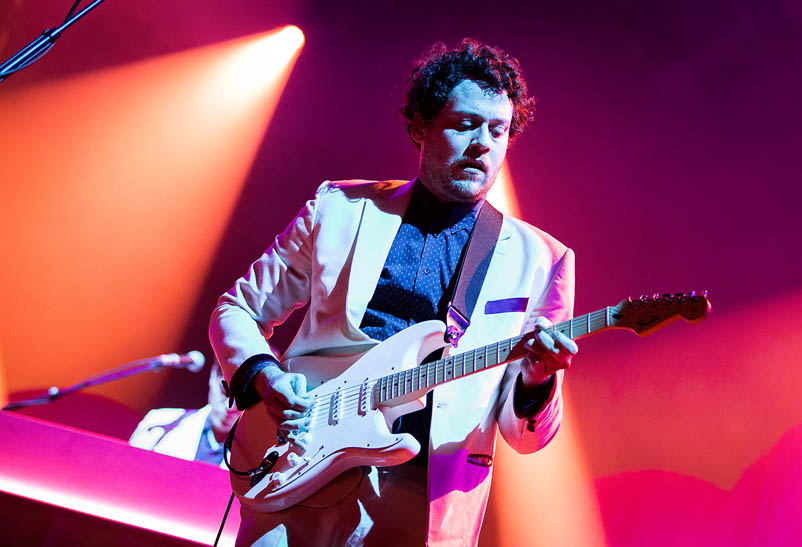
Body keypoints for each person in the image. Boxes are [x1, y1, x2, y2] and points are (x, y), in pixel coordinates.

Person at [209, 38, 577, 547]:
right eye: (465, 124)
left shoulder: (542, 261)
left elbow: (527, 435)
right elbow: (237, 310)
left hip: (421, 499)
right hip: (298, 462)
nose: (483, 144)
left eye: (498, 130)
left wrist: (536, 381)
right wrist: (266, 377)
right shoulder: (338, 209)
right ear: (420, 126)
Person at [129, 363, 241, 467]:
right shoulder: (158, 422)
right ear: (213, 374)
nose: (230, 407)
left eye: (242, 401)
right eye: (225, 391)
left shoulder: (256, 458)